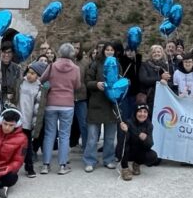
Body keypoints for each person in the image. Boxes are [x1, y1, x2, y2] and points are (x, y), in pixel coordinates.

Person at [40, 43, 81, 175]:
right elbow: (77, 86)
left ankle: (45, 165)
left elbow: (42, 80)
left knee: (49, 134)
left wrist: (51, 85)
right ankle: (63, 165)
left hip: (51, 103)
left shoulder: (52, 66)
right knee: (64, 135)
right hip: (67, 104)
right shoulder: (76, 68)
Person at [83, 43, 118, 172]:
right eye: (107, 50)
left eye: (111, 49)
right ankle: (90, 160)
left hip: (111, 104)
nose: (109, 52)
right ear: (103, 51)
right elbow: (87, 82)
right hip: (96, 104)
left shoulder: (117, 64)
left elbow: (120, 80)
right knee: (92, 136)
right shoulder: (95, 64)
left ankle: (109, 159)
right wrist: (96, 84)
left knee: (109, 137)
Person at [18, 61, 47, 178]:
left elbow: (39, 108)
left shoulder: (39, 88)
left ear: (39, 76)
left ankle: (29, 167)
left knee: (27, 145)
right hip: (16, 119)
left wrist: (34, 123)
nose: (30, 75)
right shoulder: (20, 82)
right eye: (29, 72)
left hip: (28, 121)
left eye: (33, 74)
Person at [118, 104, 159, 181]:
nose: (142, 114)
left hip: (138, 151)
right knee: (125, 145)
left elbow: (150, 144)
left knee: (153, 156)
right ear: (135, 112)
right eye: (140, 111)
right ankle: (125, 168)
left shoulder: (149, 125)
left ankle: (136, 164)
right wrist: (126, 131)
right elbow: (122, 142)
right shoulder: (128, 122)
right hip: (128, 151)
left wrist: (145, 139)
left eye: (145, 112)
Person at [139, 45, 171, 112]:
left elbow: (171, 80)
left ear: (162, 53)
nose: (156, 54)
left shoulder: (166, 66)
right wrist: (160, 79)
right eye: (154, 52)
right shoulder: (145, 65)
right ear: (151, 54)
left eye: (158, 52)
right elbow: (144, 79)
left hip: (164, 97)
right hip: (150, 97)